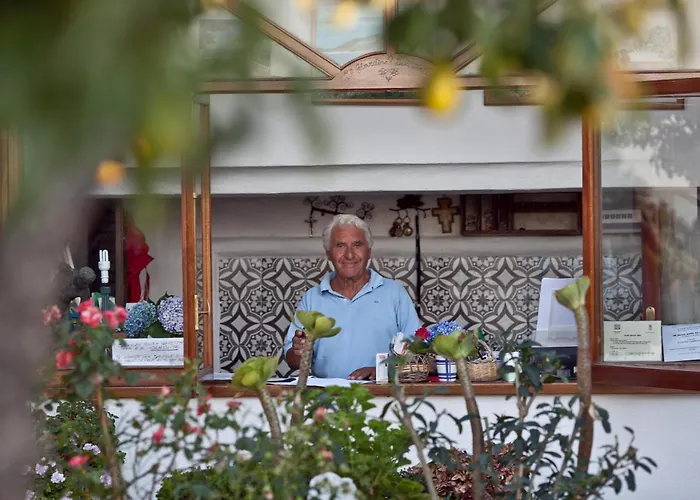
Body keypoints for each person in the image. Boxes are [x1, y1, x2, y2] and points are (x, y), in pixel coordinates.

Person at [284, 214, 421, 380]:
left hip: (382, 393)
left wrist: (383, 371)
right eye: (340, 246)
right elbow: (292, 361)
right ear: (328, 253)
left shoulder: (395, 293)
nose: (349, 255)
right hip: (326, 394)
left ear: (369, 251)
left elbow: (417, 353)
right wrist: (300, 351)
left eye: (357, 245)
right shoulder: (312, 298)